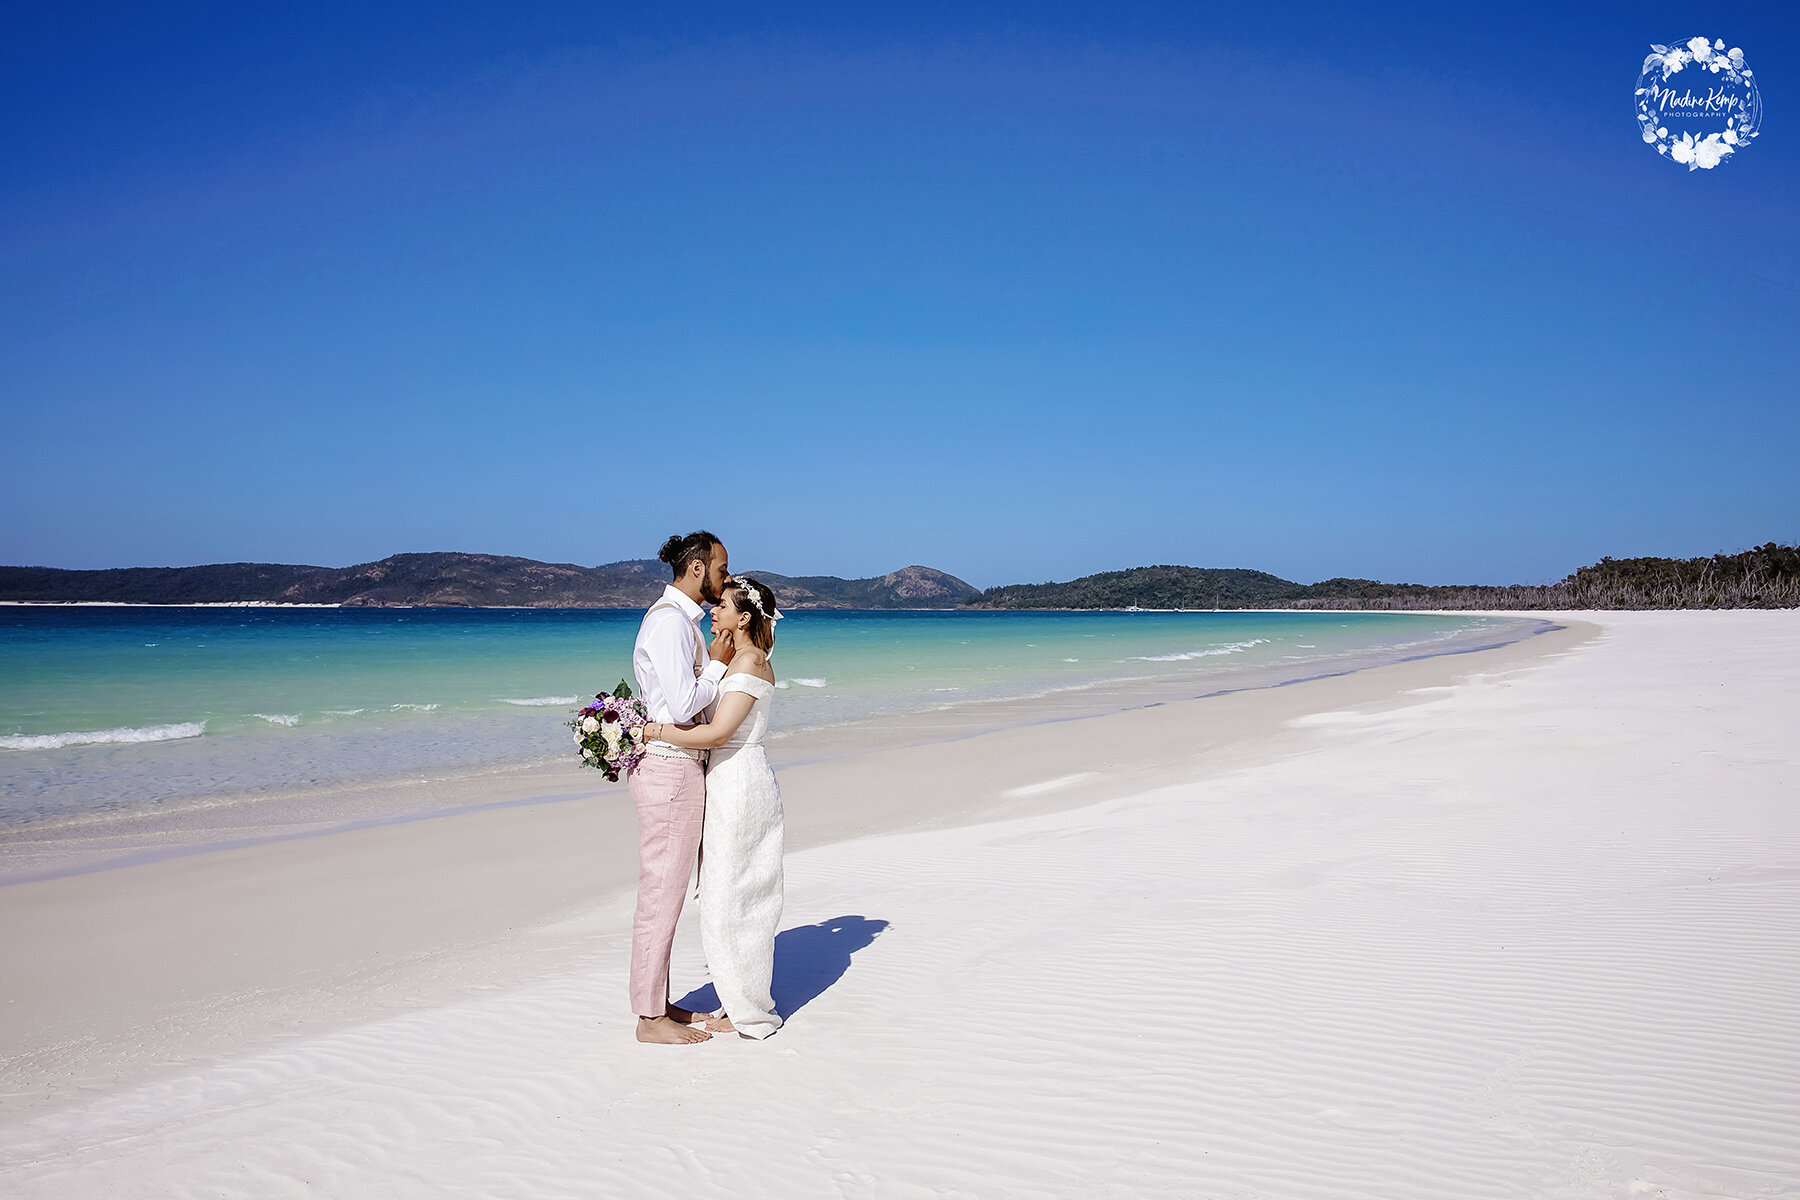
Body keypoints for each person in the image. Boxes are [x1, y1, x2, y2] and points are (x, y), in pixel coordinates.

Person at [639, 575, 786, 1040]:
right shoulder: (737, 659)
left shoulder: (750, 663)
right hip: (725, 780)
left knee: (733, 898)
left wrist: (653, 732)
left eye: (722, 605)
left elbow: (718, 734)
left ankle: (748, 1008)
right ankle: (736, 997)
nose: (713, 610)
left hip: (739, 784)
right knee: (729, 895)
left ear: (743, 617)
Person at [626, 530, 734, 1045]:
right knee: (661, 897)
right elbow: (686, 701)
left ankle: (658, 1001)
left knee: (667, 894)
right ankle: (649, 1019)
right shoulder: (670, 624)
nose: (724, 579)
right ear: (696, 568)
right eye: (719, 569)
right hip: (669, 768)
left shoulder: (679, 623)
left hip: (679, 766)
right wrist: (716, 660)